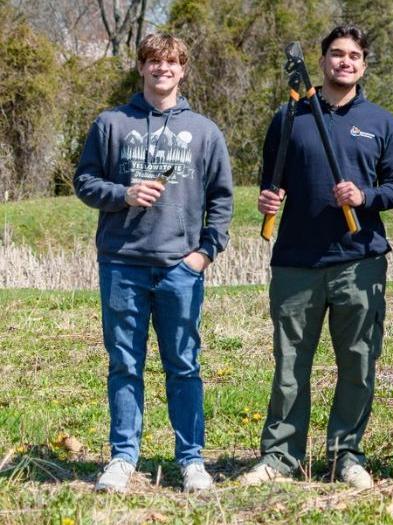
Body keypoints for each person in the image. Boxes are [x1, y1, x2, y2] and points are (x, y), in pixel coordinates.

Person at [240, 24, 393, 490]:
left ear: (364, 64)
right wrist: (267, 201)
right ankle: (279, 456)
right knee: (290, 363)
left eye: (354, 55)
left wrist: (365, 195)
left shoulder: (381, 123)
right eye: (336, 54)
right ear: (323, 60)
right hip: (296, 261)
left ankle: (345, 454)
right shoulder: (290, 116)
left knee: (358, 362)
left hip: (360, 260)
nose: (345, 62)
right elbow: (272, 181)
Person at [73, 33, 233, 493]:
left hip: (180, 268)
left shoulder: (205, 131)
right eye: (153, 62)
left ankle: (192, 459)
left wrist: (204, 254)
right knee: (125, 363)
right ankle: (123, 458)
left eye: (171, 63)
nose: (162, 69)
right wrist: (123, 194)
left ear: (182, 70)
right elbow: (84, 182)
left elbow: (222, 200)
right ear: (141, 67)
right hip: (122, 263)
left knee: (183, 364)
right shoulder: (111, 123)